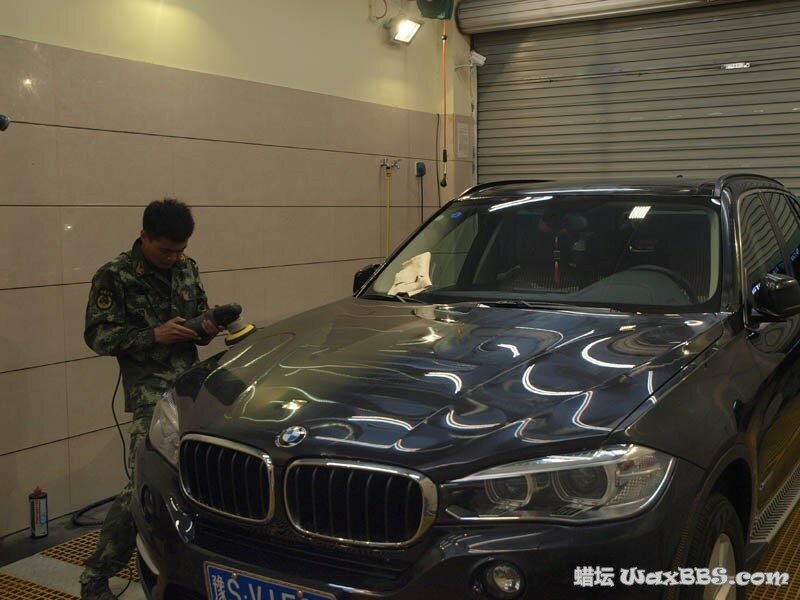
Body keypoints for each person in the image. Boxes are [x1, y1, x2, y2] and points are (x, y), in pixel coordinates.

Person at [79, 198, 220, 600]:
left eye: (180, 250)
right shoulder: (115, 276)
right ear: (144, 236)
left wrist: (207, 325)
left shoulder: (187, 268)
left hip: (190, 387)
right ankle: (96, 575)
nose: (173, 258)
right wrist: (154, 335)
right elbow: (97, 335)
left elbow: (197, 316)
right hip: (149, 390)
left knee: (200, 476)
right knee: (142, 483)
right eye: (166, 250)